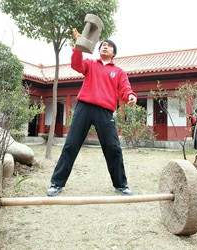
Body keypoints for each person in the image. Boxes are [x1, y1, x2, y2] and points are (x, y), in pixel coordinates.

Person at [46, 28, 137, 197]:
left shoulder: (119, 72)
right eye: (102, 45)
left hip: (105, 112)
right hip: (84, 108)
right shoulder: (90, 64)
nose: (104, 47)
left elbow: (125, 90)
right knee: (71, 144)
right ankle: (56, 183)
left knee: (113, 147)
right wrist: (79, 46)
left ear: (114, 53)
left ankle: (121, 185)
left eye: (109, 46)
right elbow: (76, 64)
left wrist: (131, 96)